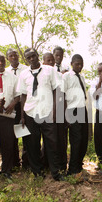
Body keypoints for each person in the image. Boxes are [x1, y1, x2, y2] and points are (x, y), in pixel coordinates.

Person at [17, 48, 65, 181]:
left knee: (52, 143)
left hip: (47, 112)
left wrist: (55, 110)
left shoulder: (50, 70)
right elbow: (22, 95)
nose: (32, 59)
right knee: (32, 144)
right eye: (28, 58)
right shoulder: (24, 74)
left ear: (38, 56)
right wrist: (22, 116)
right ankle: (37, 172)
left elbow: (57, 90)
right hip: (30, 112)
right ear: (26, 59)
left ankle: (55, 172)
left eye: (33, 56)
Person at [0, 51, 20, 178]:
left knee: (8, 142)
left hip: (8, 114)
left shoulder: (13, 77)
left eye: (2, 60)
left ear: (5, 61)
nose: (0, 63)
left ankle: (6, 169)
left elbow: (18, 95)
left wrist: (13, 104)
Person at [63, 54, 89, 176]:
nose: (79, 66)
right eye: (77, 63)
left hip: (82, 110)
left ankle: (79, 165)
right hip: (72, 110)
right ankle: (72, 169)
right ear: (71, 63)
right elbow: (62, 96)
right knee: (76, 140)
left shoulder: (82, 77)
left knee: (84, 139)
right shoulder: (66, 76)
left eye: (81, 64)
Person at [6, 48, 29, 168]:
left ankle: (26, 162)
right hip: (11, 107)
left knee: (25, 134)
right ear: (7, 58)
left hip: (24, 106)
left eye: (15, 55)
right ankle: (14, 162)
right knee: (12, 135)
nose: (13, 57)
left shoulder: (26, 69)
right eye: (11, 56)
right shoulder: (6, 72)